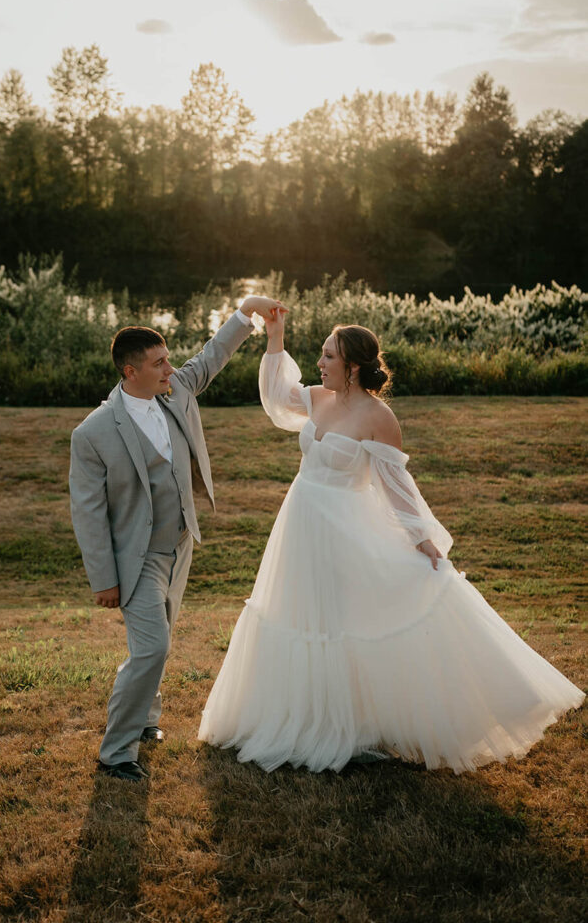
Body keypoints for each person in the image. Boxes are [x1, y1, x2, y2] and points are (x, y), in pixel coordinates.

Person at [199, 310, 584, 773]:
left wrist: (423, 540)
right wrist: (275, 336)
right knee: (298, 610)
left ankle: (354, 720)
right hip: (301, 522)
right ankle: (302, 715)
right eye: (320, 354)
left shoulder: (379, 417)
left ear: (353, 366)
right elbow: (277, 397)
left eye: (328, 355)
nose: (320, 363)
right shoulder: (317, 397)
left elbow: (396, 486)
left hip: (346, 528)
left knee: (345, 619)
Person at [70, 295, 285, 782]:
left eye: (167, 360)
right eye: (159, 363)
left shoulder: (176, 392)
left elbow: (211, 357)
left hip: (180, 542)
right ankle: (116, 753)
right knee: (152, 648)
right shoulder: (94, 433)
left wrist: (247, 311)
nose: (170, 367)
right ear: (130, 371)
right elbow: (87, 512)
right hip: (136, 556)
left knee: (160, 636)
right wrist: (103, 578)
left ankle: (146, 721)